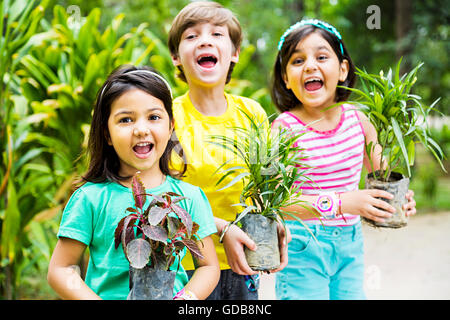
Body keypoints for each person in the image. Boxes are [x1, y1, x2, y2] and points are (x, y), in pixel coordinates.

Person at [270, 19, 417, 300]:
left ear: (343, 69)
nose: (311, 66)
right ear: (286, 79)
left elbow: (383, 177)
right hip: (303, 246)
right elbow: (279, 205)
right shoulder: (284, 128)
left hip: (350, 245)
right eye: (297, 60)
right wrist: (341, 203)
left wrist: (401, 198)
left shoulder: (359, 120)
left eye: (321, 56)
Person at [47, 65, 220, 300]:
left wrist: (186, 299)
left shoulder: (189, 197)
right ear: (106, 133)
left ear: (170, 127)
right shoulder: (90, 198)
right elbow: (61, 269)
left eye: (154, 117)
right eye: (126, 119)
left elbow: (208, 266)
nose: (141, 129)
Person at [167, 1, 288, 300]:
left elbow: (265, 186)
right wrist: (220, 228)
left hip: (244, 264)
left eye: (217, 34)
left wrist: (276, 220)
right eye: (191, 36)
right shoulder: (165, 115)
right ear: (175, 57)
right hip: (185, 265)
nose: (205, 40)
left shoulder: (253, 113)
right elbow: (162, 195)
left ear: (234, 53)